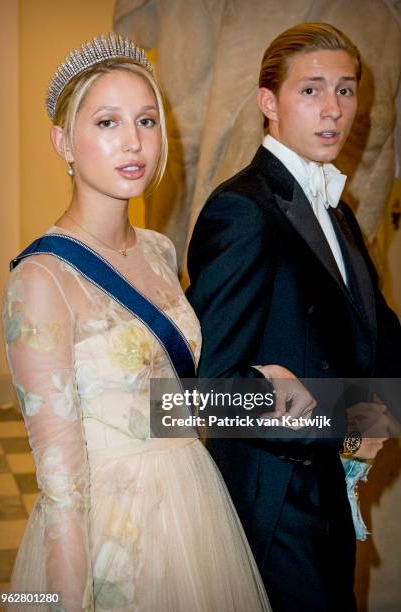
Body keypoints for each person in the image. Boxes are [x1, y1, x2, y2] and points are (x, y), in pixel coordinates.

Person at [2, 34, 272, 612]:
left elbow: (163, 403)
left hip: (194, 504)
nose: (133, 142)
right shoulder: (42, 279)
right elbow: (61, 485)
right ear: (63, 142)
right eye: (107, 122)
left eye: (147, 120)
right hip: (110, 530)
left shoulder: (158, 250)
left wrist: (274, 385)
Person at [187, 22, 401, 612]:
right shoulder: (243, 211)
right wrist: (349, 419)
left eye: (346, 89)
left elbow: (380, 337)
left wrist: (372, 412)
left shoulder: (340, 211)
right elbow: (204, 396)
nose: (333, 109)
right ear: (268, 103)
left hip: (326, 493)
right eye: (310, 90)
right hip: (274, 504)